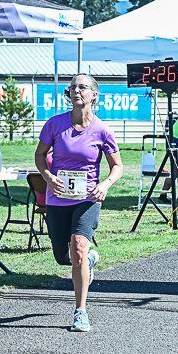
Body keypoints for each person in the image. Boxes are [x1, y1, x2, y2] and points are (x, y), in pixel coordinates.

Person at [34, 74, 123, 332]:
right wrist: (48, 177)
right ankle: (90, 260)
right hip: (58, 198)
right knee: (65, 258)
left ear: (94, 94)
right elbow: (40, 155)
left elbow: (117, 166)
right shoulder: (54, 124)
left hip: (88, 198)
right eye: (72, 87)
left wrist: (105, 185)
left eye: (82, 87)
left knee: (78, 248)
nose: (77, 91)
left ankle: (80, 312)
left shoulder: (103, 130)